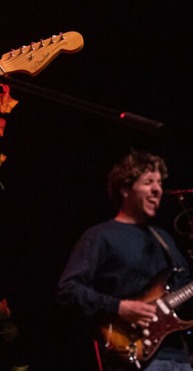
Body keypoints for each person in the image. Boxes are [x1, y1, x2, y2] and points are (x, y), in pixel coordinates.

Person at [57, 151, 192, 370]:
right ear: (125, 189)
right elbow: (68, 290)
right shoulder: (99, 236)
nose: (157, 189)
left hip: (179, 357)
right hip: (132, 355)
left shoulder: (163, 238)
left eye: (159, 183)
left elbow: (185, 290)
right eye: (148, 182)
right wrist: (120, 307)